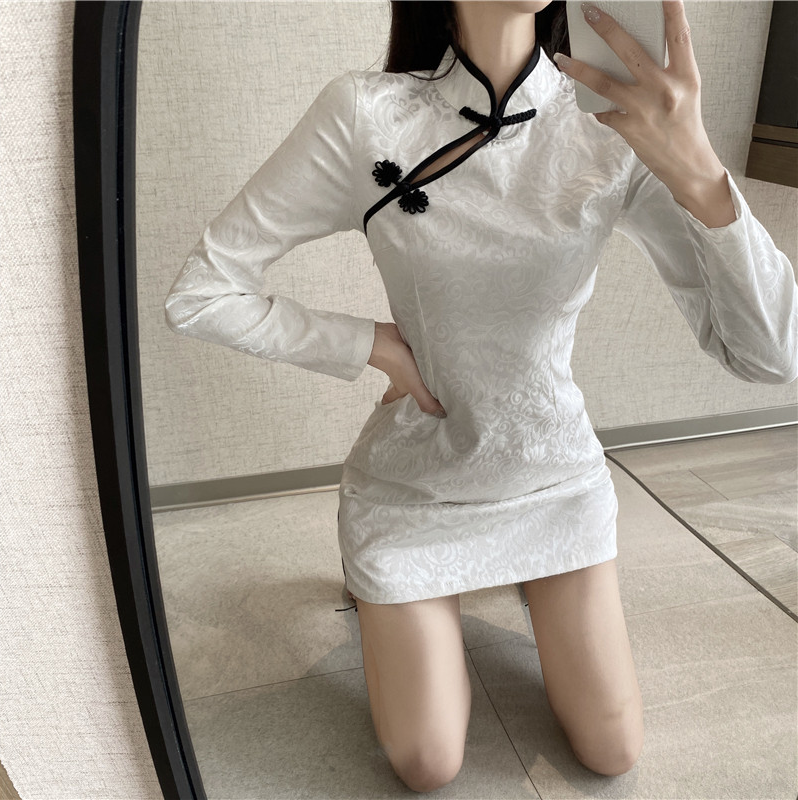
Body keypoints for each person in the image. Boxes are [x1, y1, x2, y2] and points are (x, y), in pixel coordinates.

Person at [164, 0, 797, 791]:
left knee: (613, 751)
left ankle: (519, 584)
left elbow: (769, 356)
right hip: (416, 486)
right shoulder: (367, 115)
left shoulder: (612, 124)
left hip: (553, 478)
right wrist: (370, 346)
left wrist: (699, 167)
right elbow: (201, 294)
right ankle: (378, 577)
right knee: (428, 763)